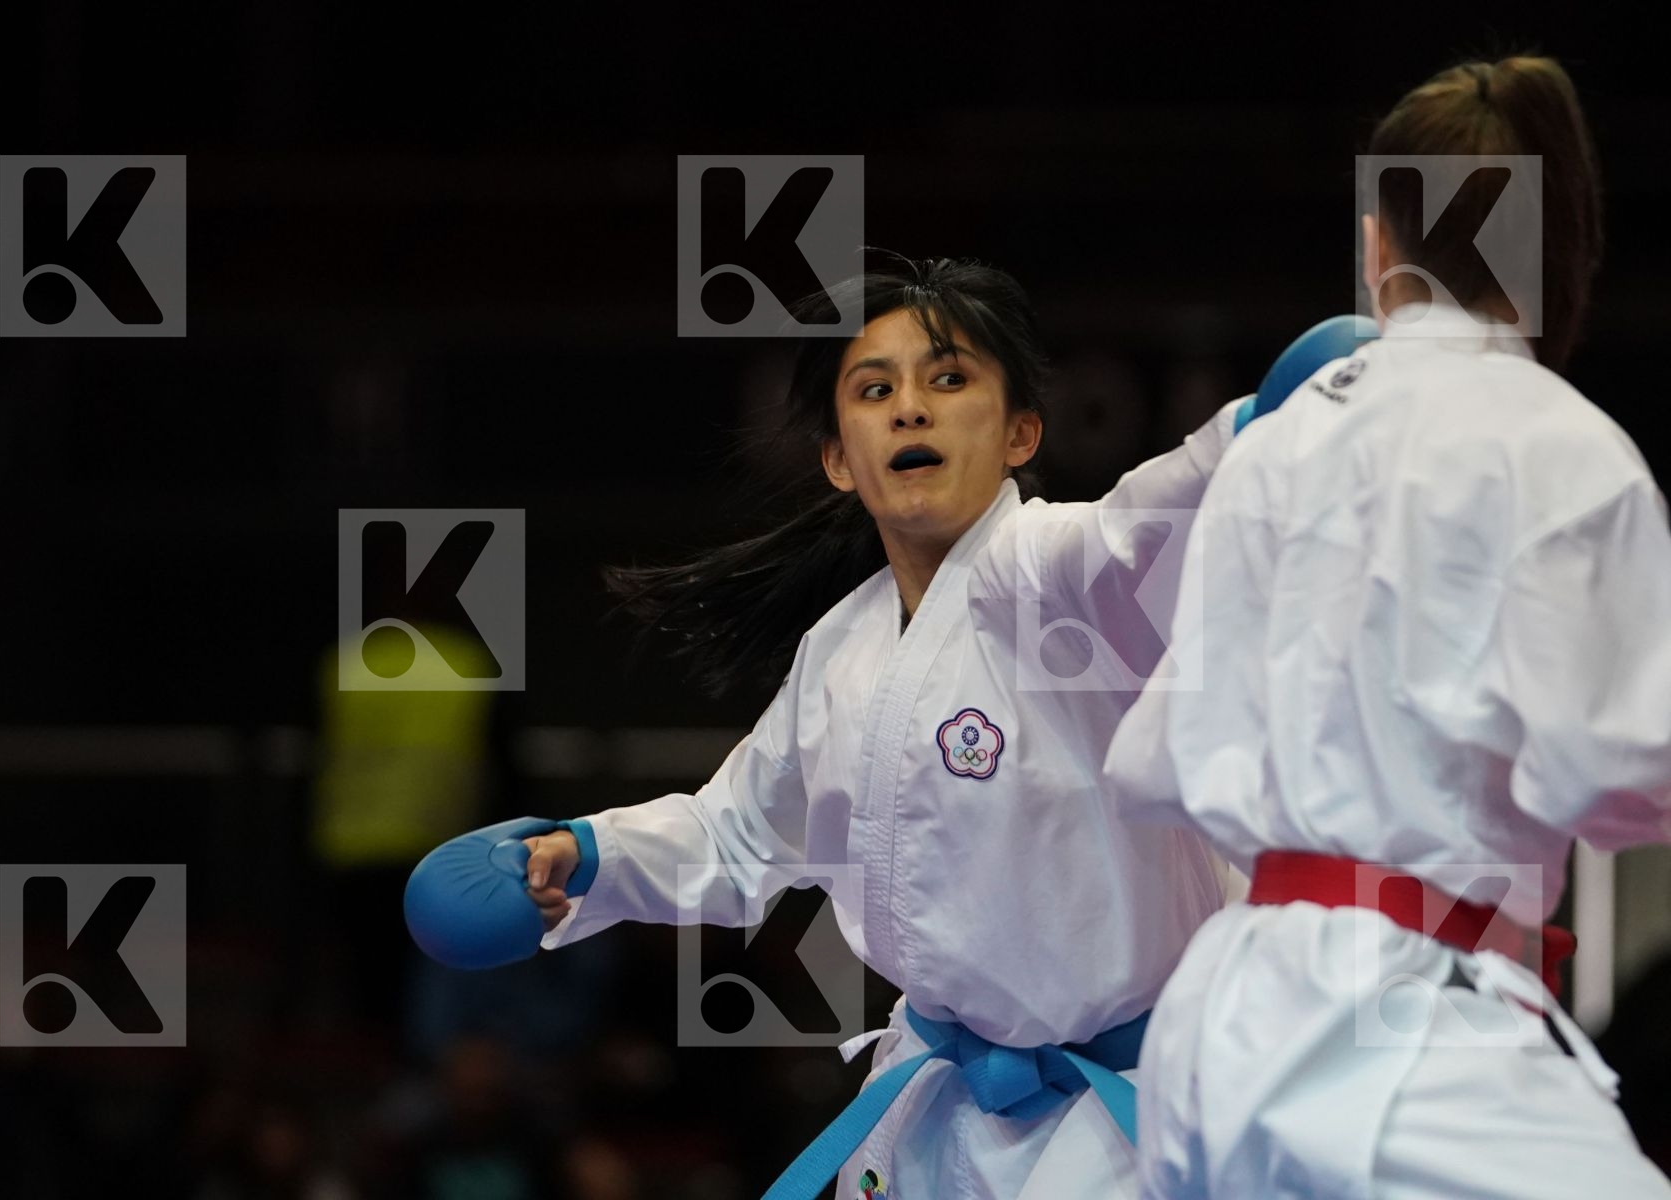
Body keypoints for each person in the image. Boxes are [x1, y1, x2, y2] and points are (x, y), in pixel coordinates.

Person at [408, 253, 1344, 1197]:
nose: (910, 408)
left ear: (1022, 433)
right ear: (836, 458)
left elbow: (1147, 522)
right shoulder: (841, 652)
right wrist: (587, 856)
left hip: (1126, 1106)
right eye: (874, 388)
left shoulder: (1065, 579)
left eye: (950, 379)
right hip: (939, 1100)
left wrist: (1258, 434)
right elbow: (734, 833)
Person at [1104, 56, 1671, 1199]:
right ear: (1564, 257)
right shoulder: (1562, 449)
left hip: (1219, 1018)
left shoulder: (1271, 445)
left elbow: (1147, 758)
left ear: (1378, 248)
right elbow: (1618, 779)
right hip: (1392, 1022)